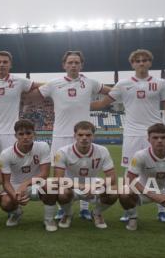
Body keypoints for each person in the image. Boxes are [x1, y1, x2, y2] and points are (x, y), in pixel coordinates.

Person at [91, 49, 165, 223]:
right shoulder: (123, 84)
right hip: (132, 135)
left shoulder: (161, 83)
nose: (141, 63)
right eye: (137, 60)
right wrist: (73, 103)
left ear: (150, 63)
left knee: (162, 170)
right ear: (132, 64)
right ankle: (130, 211)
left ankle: (162, 209)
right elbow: (101, 103)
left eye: (145, 60)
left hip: (155, 134)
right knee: (129, 172)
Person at [37, 51, 111, 220]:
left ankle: (85, 207)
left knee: (86, 170)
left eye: (76, 62)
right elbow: (34, 95)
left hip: (83, 134)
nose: (73, 65)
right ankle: (63, 208)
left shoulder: (90, 82)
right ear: (64, 65)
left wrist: (96, 104)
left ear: (81, 65)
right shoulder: (54, 84)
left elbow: (112, 92)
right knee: (60, 173)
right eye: (70, 62)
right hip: (60, 135)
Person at [54, 121, 118, 229]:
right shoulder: (63, 152)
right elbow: (58, 179)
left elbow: (112, 178)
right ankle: (68, 214)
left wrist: (94, 186)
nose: (84, 138)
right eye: (80, 135)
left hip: (93, 186)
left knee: (114, 191)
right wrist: (81, 186)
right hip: (71, 186)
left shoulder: (102, 151)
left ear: (93, 136)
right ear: (74, 136)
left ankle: (97, 213)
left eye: (88, 135)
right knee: (60, 192)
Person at [0, 119, 57, 231]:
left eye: (28, 133)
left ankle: (49, 219)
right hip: (15, 186)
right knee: (6, 202)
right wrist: (15, 195)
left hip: (36, 184)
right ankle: (16, 213)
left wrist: (26, 184)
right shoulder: (6, 154)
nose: (25, 137)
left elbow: (45, 174)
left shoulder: (43, 146)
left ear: (34, 134)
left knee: (51, 186)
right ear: (15, 135)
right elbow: (5, 182)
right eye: (21, 134)